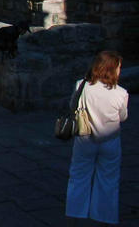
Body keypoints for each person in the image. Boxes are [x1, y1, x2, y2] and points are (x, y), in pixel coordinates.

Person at [65, 51, 129, 225]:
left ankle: (75, 213)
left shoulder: (82, 85)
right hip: (110, 140)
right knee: (108, 179)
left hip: (85, 139)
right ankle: (104, 216)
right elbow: (123, 117)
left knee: (79, 176)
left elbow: (73, 106)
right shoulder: (121, 93)